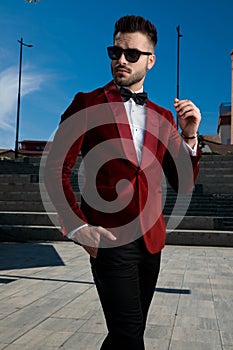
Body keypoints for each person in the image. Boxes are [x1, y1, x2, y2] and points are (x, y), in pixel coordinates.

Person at [44, 15, 201, 350]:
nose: (121, 60)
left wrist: (189, 138)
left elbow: (182, 182)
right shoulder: (87, 103)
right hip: (110, 238)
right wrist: (77, 228)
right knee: (129, 336)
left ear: (150, 60)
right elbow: (55, 166)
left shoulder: (164, 116)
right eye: (115, 52)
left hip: (152, 241)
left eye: (132, 54)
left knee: (126, 335)